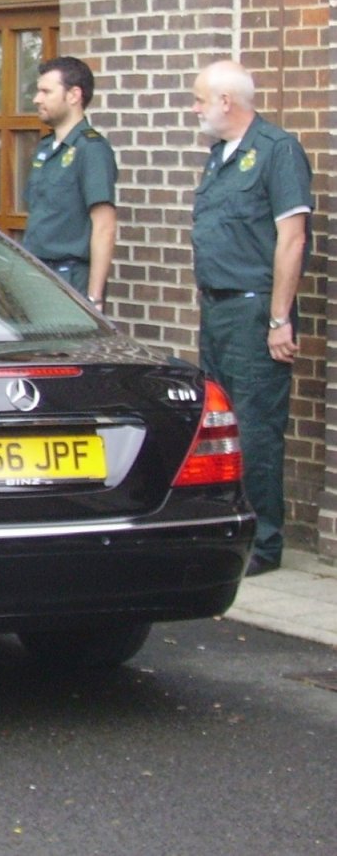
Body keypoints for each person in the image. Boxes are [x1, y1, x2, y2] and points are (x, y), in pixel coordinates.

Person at [190, 60, 312, 577]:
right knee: (221, 427)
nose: (194, 109)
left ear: (225, 101)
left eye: (199, 100)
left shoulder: (276, 151)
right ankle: (228, 529)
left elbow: (293, 237)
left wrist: (280, 318)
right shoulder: (220, 157)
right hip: (216, 307)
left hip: (253, 308)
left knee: (257, 426)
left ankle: (263, 542)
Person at [21, 56, 117, 306]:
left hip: (70, 277)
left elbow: (104, 226)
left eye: (46, 91)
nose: (37, 99)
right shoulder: (46, 148)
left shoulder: (91, 149)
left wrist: (94, 298)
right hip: (38, 274)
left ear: (74, 95)